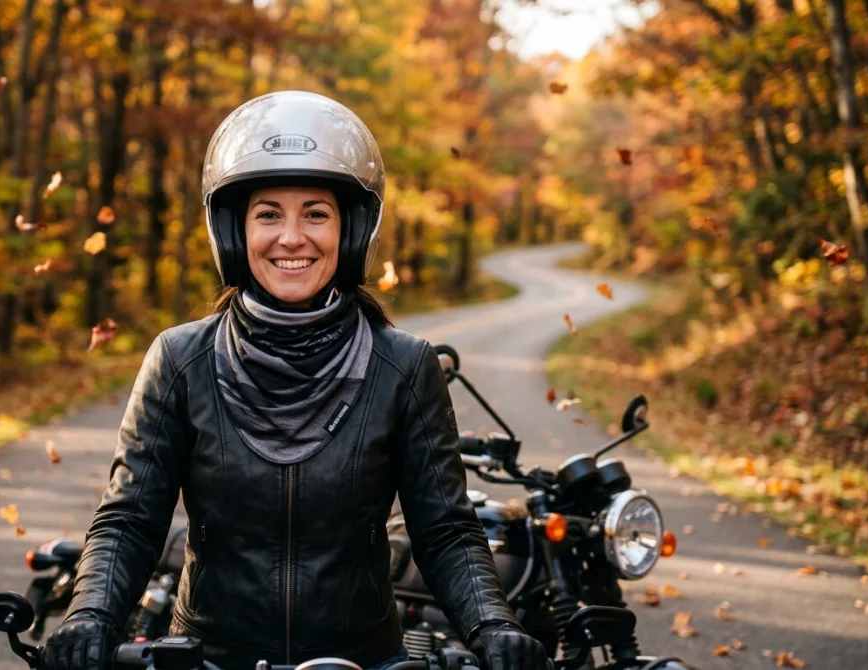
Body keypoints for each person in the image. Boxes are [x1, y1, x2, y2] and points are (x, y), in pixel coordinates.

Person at [40, 91, 548, 670]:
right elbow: (130, 518)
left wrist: (493, 625)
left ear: (352, 230)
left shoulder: (405, 366)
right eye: (268, 214)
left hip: (362, 660)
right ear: (233, 233)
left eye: (315, 213)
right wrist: (91, 617)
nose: (291, 237)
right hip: (208, 657)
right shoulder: (178, 359)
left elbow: (447, 531)